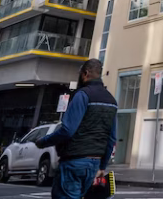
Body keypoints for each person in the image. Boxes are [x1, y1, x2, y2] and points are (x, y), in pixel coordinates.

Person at [35, 59, 117, 199]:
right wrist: (102, 166)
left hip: (74, 161)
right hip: (94, 164)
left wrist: (44, 141)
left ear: (85, 73)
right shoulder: (112, 101)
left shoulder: (82, 95)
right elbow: (112, 138)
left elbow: (67, 130)